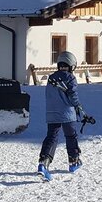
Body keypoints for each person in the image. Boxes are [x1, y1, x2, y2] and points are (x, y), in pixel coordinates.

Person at [38, 51, 84, 181]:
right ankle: (74, 161)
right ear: (71, 65)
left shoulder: (51, 78)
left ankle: (43, 164)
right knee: (71, 136)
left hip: (52, 112)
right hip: (67, 113)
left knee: (51, 137)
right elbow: (73, 95)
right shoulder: (70, 78)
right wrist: (78, 106)